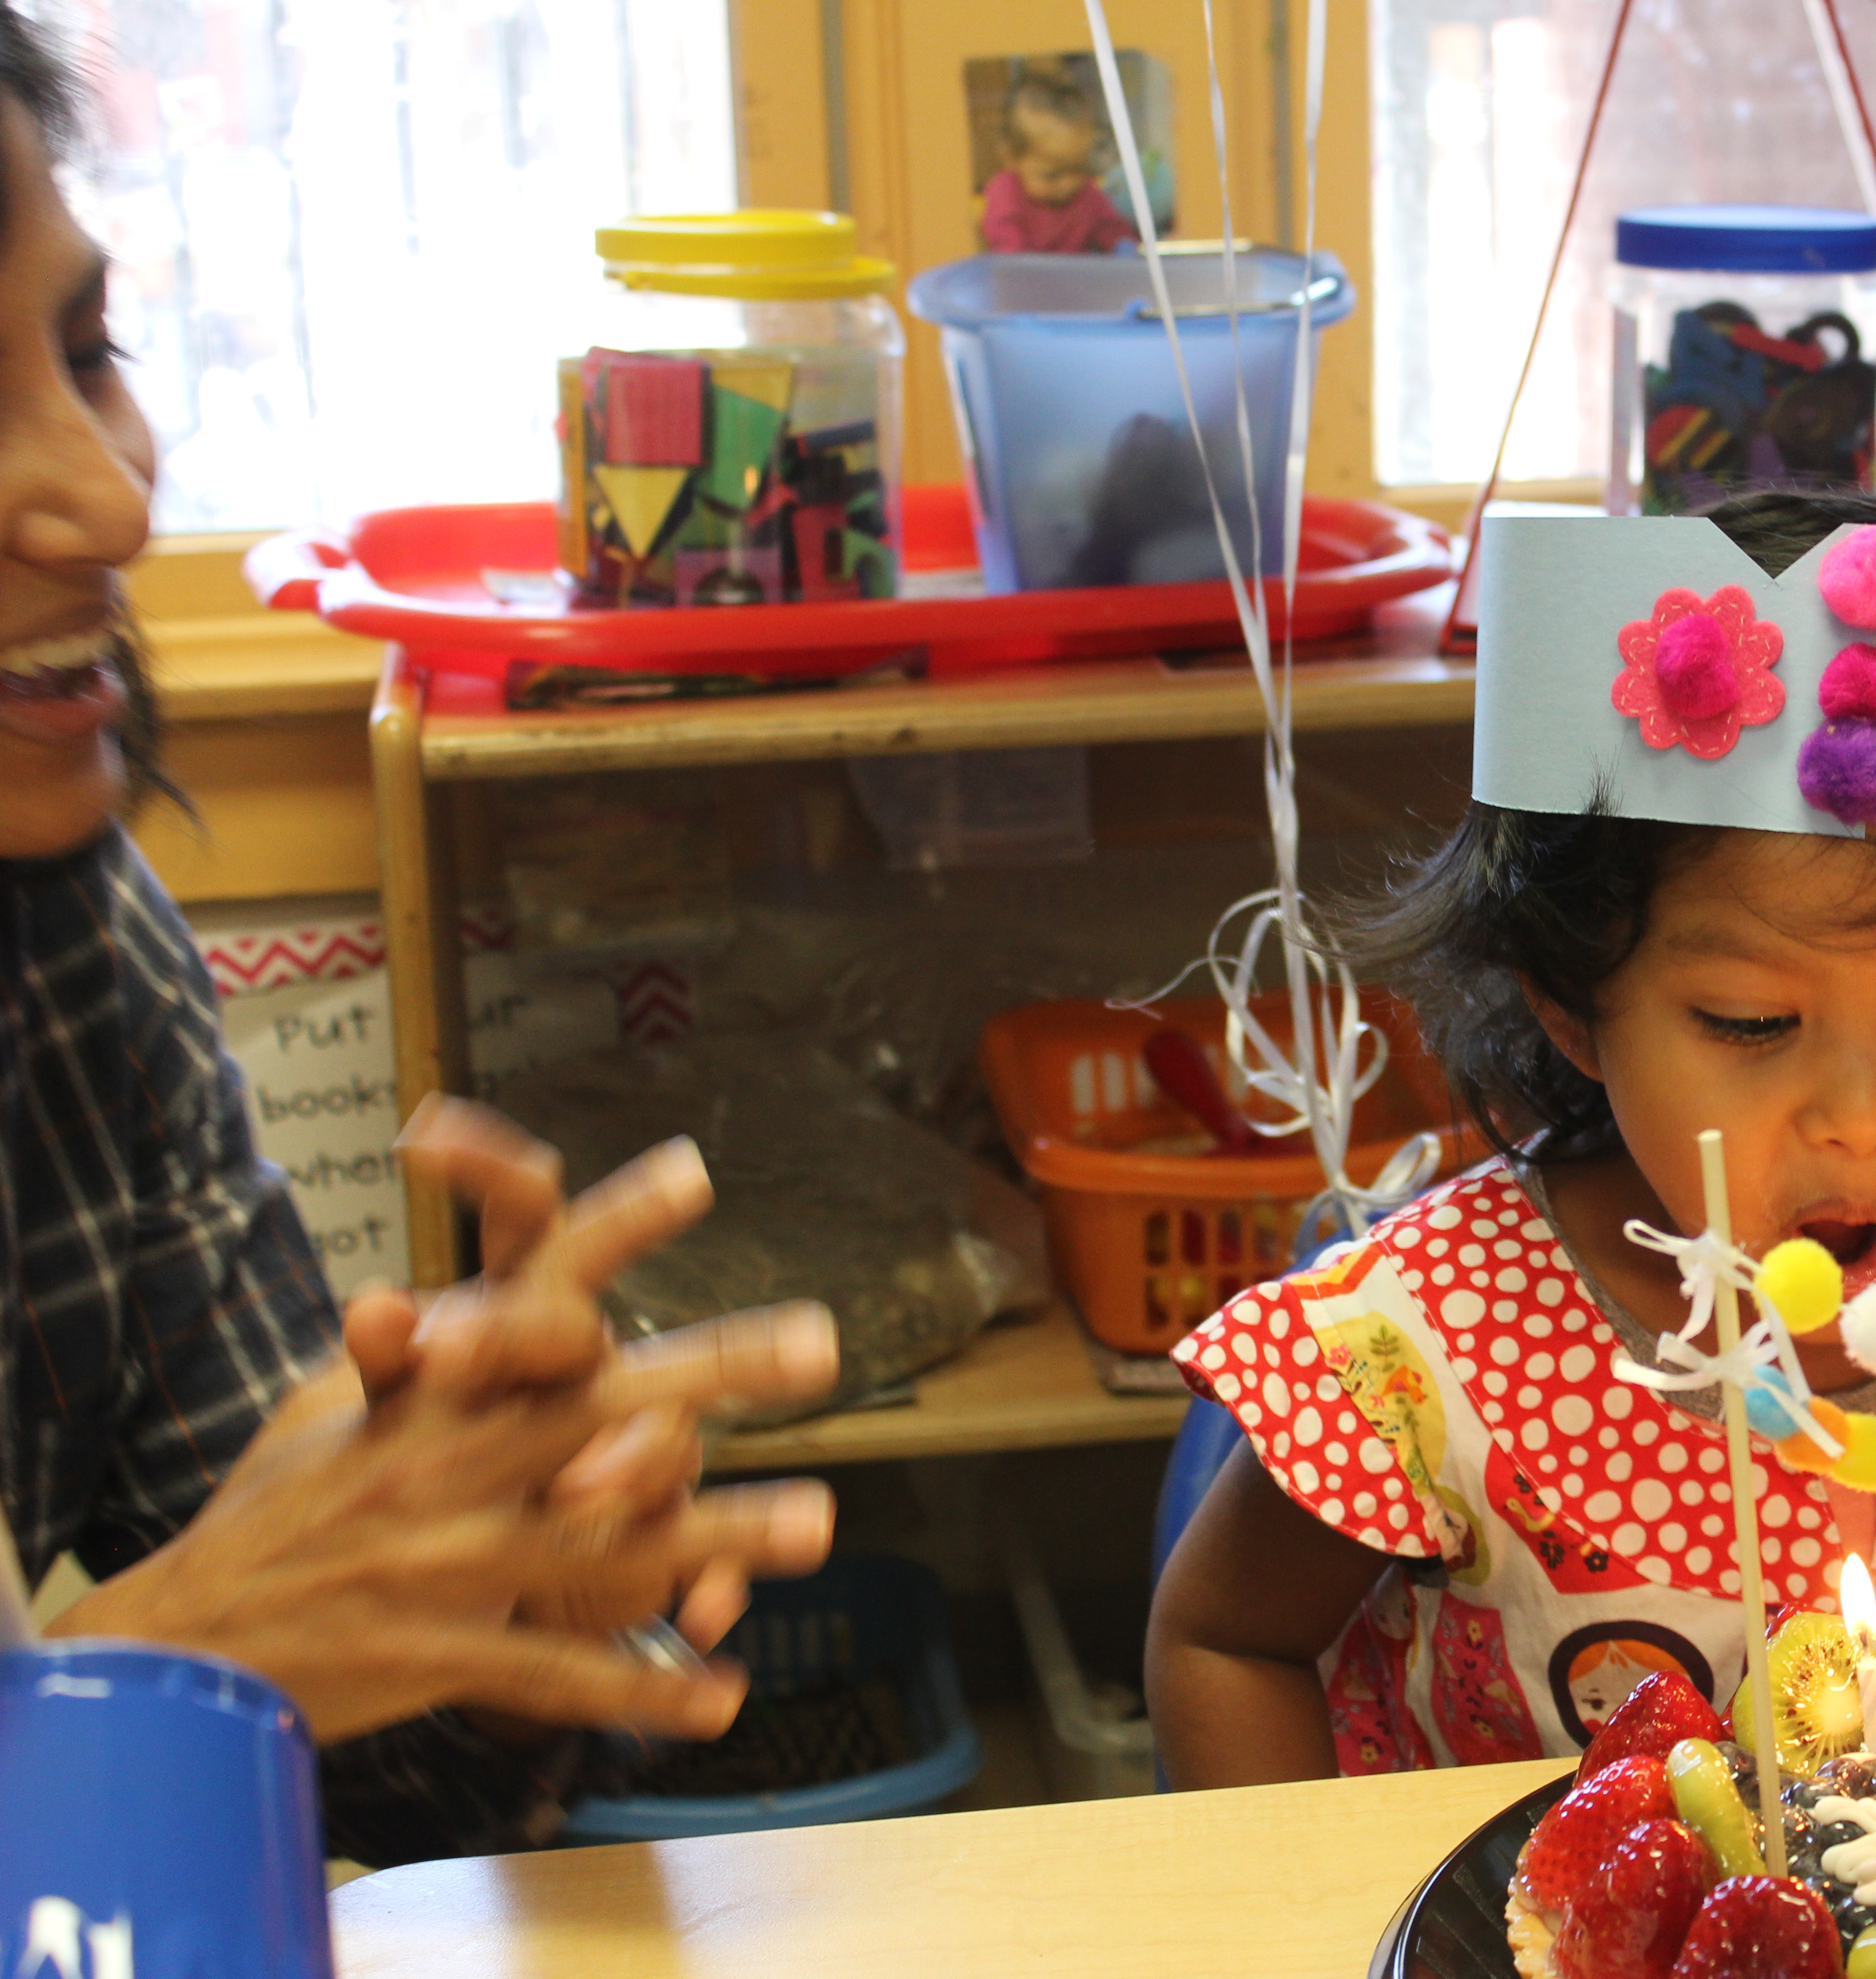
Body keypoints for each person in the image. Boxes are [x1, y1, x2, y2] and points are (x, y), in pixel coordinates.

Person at [0, 7, 840, 1860]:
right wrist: (137, 1682)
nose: (106, 494)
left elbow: (354, 1738)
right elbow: (210, 1666)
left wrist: (501, 1579)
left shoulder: (71, 954)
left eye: (88, 353)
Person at [1145, 491, 1876, 1787]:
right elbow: (1223, 1640)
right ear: (1571, 1002)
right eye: (1749, 1021)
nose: (1862, 1114)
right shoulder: (1430, 1348)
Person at [978, 69, 1138, 255]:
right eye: (1052, 175)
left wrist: (1125, 246)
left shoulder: (1087, 194)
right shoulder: (1006, 192)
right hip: (1022, 280)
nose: (1070, 184)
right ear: (1012, 159)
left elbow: (1111, 227)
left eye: (1079, 169)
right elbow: (1005, 239)